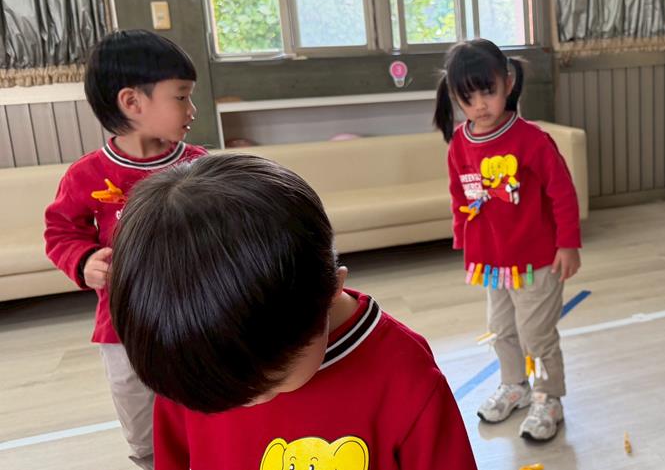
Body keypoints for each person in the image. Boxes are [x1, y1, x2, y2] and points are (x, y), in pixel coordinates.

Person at [107, 153, 478, 470]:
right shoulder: (192, 363)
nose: (245, 403)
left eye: (270, 382)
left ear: (330, 290)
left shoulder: (404, 377)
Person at [44, 29, 205, 469]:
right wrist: (83, 261)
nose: (192, 109)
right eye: (181, 96)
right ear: (132, 102)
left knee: (204, 404)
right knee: (142, 421)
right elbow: (60, 231)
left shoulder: (200, 165)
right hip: (123, 327)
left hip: (196, 317)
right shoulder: (86, 175)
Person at [433, 38, 582, 441]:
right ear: (455, 97)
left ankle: (548, 396)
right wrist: (464, 239)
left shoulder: (532, 140)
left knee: (537, 335)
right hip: (493, 263)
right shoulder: (459, 144)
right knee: (501, 330)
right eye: (468, 98)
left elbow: (562, 193)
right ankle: (515, 385)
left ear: (508, 83)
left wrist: (568, 243)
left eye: (488, 91)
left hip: (537, 261)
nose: (480, 105)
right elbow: (460, 195)